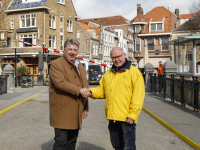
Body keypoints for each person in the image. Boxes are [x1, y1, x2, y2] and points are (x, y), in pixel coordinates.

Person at [84, 47, 145, 150]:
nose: (116, 60)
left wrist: (133, 115)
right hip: (112, 118)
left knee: (128, 147)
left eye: (118, 56)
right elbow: (102, 90)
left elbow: (138, 96)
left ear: (124, 55)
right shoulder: (108, 74)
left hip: (126, 118)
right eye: (113, 58)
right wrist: (90, 92)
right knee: (116, 145)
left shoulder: (134, 73)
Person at [49, 38, 89, 150]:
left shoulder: (80, 66)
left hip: (76, 111)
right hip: (62, 111)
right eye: (70, 49)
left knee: (72, 143)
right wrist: (79, 90)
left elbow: (85, 86)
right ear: (64, 50)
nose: (72, 52)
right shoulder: (56, 64)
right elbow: (60, 83)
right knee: (61, 143)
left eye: (75, 50)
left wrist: (85, 108)